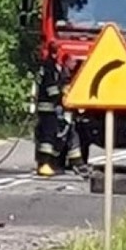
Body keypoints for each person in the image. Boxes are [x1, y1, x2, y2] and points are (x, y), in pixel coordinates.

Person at [32, 44, 85, 176]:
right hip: (48, 110)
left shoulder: (57, 69)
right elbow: (52, 90)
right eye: (73, 61)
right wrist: (64, 96)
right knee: (48, 139)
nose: (75, 64)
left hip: (55, 110)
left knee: (68, 135)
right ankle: (44, 164)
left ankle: (77, 163)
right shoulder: (49, 68)